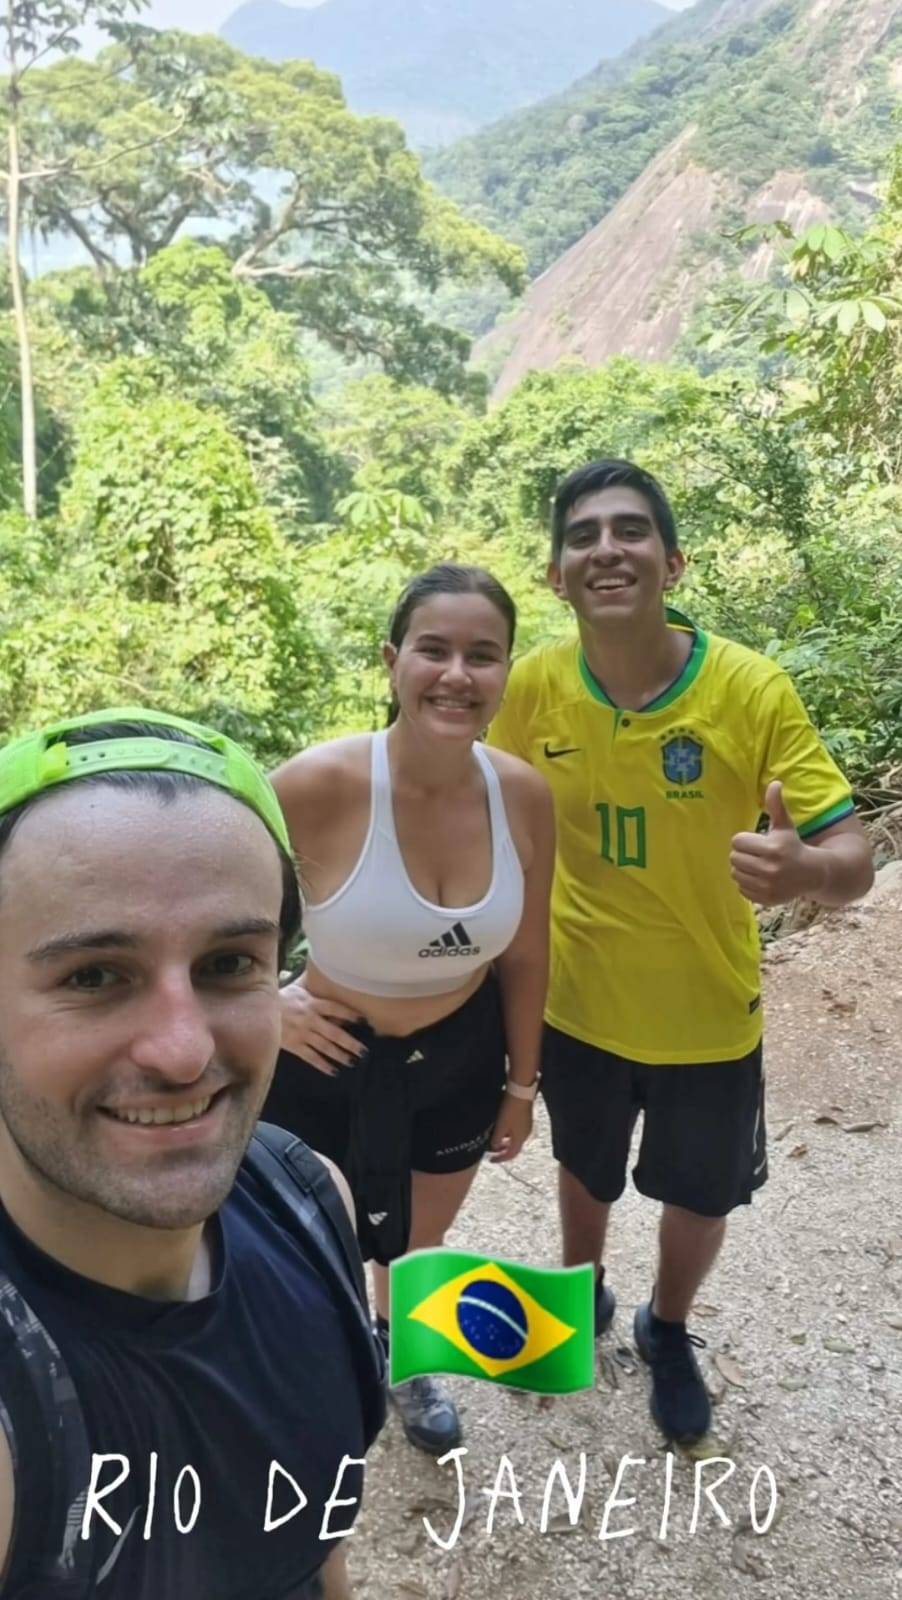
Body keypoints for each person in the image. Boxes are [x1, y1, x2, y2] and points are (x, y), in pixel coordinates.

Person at [487, 458, 874, 1444]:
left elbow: (852, 855)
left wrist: (804, 873)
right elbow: (454, 797)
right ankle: (578, 1301)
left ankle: (666, 1327)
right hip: (575, 1003)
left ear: (671, 561)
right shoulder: (531, 689)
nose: (605, 548)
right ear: (555, 574)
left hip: (708, 1009)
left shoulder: (748, 690)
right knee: (582, 1163)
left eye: (627, 530)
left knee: (699, 1192)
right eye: (582, 535)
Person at [0, 708, 386, 1600]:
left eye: (227, 965)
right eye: (93, 976)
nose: (182, 1051)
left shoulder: (307, 1201)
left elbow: (313, 1529)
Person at [262, 563, 555, 1456]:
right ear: (393, 661)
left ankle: (407, 1358)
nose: (457, 675)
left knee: (421, 1236)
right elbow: (196, 924)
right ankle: (311, 1366)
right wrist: (265, 1001)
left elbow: (529, 951)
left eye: (483, 655)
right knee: (309, 1237)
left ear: (508, 672)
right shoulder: (314, 785)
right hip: (319, 1053)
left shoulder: (525, 795)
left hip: (457, 1053)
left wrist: (519, 1085)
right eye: (434, 650)